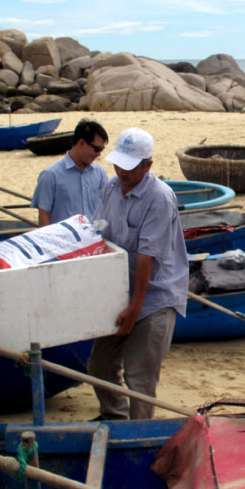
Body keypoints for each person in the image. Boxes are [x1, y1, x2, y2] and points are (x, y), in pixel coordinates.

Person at [87, 127, 188, 420]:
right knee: (100, 365)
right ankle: (115, 416)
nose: (122, 171)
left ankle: (139, 432)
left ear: (148, 165)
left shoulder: (160, 197)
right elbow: (99, 233)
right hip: (120, 290)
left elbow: (147, 258)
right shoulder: (110, 187)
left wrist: (135, 308)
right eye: (118, 163)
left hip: (155, 296)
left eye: (130, 167)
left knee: (139, 376)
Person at [31, 119, 109, 226]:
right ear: (81, 143)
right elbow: (44, 214)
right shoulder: (50, 175)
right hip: (63, 240)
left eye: (102, 149)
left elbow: (106, 208)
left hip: (92, 239)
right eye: (96, 149)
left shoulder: (100, 173)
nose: (99, 154)